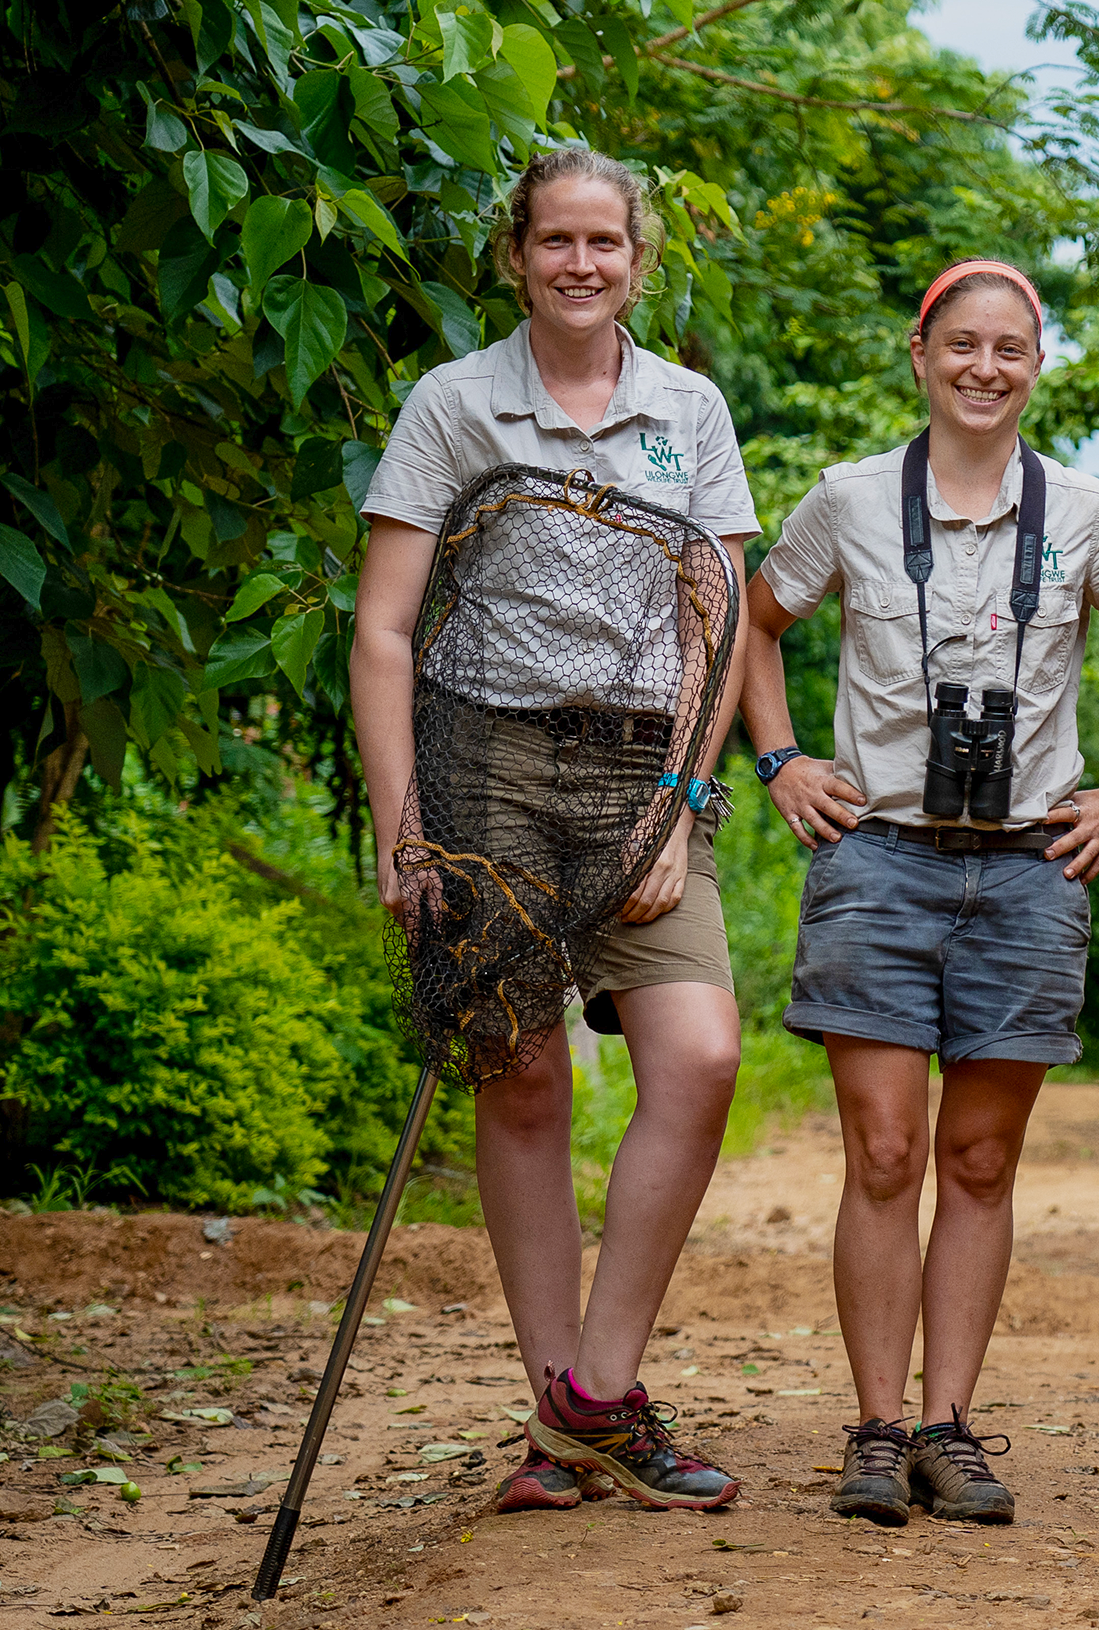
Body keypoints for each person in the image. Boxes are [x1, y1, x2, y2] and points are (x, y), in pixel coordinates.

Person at [353, 146, 751, 1512]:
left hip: (645, 766)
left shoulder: (687, 408)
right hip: (489, 761)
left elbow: (720, 614)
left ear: (639, 261)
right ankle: (556, 1422)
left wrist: (679, 803)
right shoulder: (454, 404)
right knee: (519, 1075)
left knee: (697, 1058)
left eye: (607, 244)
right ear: (517, 256)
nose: (582, 265)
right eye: (556, 242)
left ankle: (597, 1392)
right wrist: (406, 828)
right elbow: (385, 626)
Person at [731, 260, 1099, 1528]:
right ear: (919, 352)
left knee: (979, 1158)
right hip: (881, 855)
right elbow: (753, 618)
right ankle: (871, 1426)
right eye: (962, 345)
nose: (985, 368)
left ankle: (949, 1427)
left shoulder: (1087, 514)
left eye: (1010, 349)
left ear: (1039, 363)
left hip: (1032, 864)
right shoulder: (852, 499)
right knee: (884, 1152)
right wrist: (780, 757)